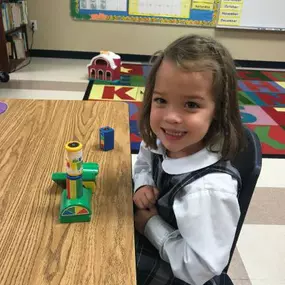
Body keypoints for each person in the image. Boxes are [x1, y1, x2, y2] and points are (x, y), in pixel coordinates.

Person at [132, 34, 246, 285]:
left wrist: (150, 225)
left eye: (191, 105)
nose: (171, 117)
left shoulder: (208, 191)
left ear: (218, 111)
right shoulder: (166, 141)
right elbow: (143, 157)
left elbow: (199, 269)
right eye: (161, 100)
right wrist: (143, 183)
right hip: (157, 245)